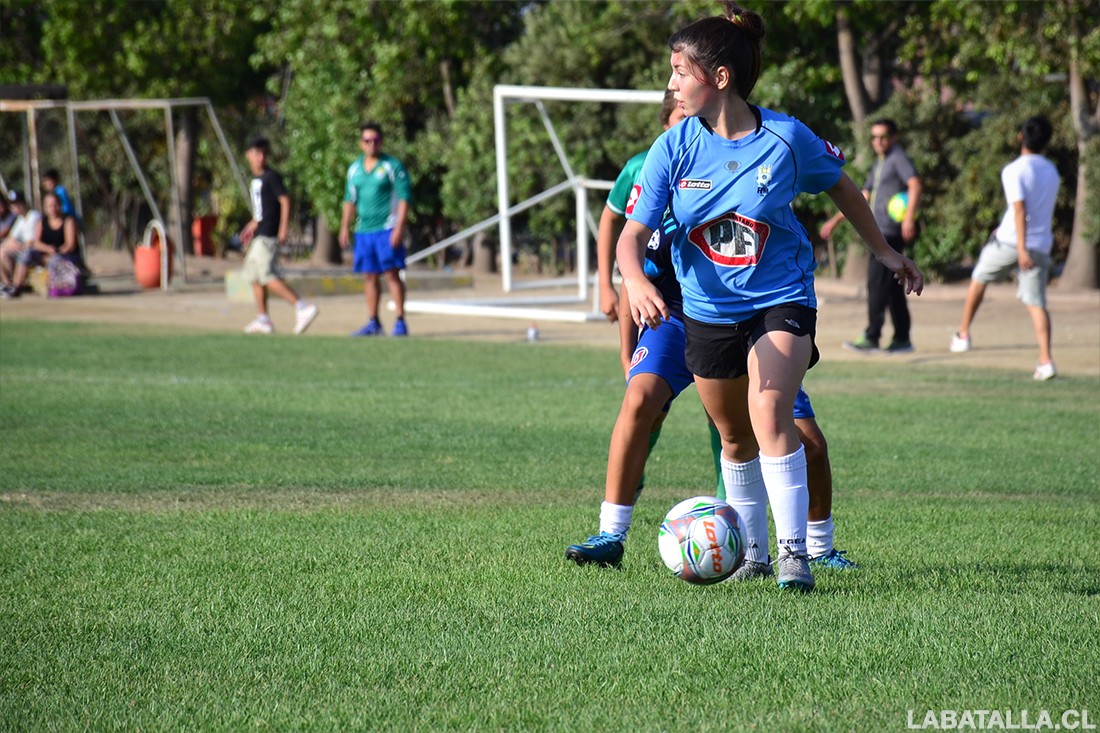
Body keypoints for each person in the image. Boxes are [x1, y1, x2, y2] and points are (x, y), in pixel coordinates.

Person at [617, 2, 923, 591]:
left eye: (680, 71)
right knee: (734, 436)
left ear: (720, 78)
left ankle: (794, 556)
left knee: (769, 410)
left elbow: (842, 186)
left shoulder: (786, 138)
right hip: (707, 311)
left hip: (781, 297)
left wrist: (885, 251)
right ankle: (752, 555)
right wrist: (634, 281)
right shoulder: (672, 149)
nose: (671, 84)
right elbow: (631, 239)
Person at [567, 93, 857, 572]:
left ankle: (816, 548)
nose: (694, 123)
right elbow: (626, 246)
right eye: (680, 115)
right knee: (640, 400)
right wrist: (625, 337)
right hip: (676, 314)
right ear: (668, 124)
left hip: (753, 311)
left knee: (803, 439)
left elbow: (834, 185)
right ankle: (611, 533)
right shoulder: (653, 165)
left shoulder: (761, 148)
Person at [950, 116, 1061, 381]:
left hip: (1013, 242)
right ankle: (1046, 361)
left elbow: (1020, 209)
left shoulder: (1014, 169)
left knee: (978, 279)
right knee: (1037, 303)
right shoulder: (1052, 171)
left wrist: (1021, 248)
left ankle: (963, 334)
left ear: (1020, 137)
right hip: (1040, 243)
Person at [821, 118, 922, 354]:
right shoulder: (880, 163)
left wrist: (909, 217)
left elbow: (915, 184)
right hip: (880, 231)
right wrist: (836, 220)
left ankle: (872, 336)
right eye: (874, 137)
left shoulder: (898, 158)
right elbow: (863, 195)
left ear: (893, 138)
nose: (878, 141)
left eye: (883, 137)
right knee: (894, 286)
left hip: (888, 233)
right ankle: (902, 338)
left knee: (877, 285)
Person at [338, 122, 413, 337]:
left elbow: (404, 198)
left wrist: (399, 227)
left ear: (381, 142)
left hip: (387, 229)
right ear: (361, 143)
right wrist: (345, 227)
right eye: (367, 140)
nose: (371, 144)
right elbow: (349, 200)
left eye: (376, 140)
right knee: (369, 276)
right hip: (364, 231)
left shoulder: (392, 166)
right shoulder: (354, 169)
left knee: (391, 274)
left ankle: (400, 321)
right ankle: (373, 322)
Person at [239, 137, 319, 335]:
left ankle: (302, 307)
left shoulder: (271, 177)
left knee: (266, 275)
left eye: (264, 153)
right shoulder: (255, 181)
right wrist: (251, 224)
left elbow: (284, 201)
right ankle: (263, 319)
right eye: (257, 153)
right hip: (259, 232)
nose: (261, 157)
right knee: (254, 276)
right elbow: (261, 210)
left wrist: (283, 229)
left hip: (269, 235)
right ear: (249, 154)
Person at [6, 191, 79, 296]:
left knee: (54, 260)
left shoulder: (68, 220)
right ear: (45, 208)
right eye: (49, 206)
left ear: (60, 205)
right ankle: (17, 286)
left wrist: (55, 253)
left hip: (66, 256)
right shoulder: (42, 221)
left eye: (55, 205)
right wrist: (47, 249)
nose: (53, 208)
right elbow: (36, 243)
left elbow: (70, 245)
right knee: (26, 254)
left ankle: (51, 287)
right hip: (46, 253)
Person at [0, 191, 42, 297]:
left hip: (33, 249)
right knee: (2, 250)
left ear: (23, 203)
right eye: (13, 205)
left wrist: (20, 245)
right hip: (22, 248)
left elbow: (33, 240)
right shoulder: (20, 219)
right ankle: (7, 284)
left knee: (12, 252)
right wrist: (14, 244)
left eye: (17, 204)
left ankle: (14, 285)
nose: (15, 207)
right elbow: (11, 237)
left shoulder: (34, 216)